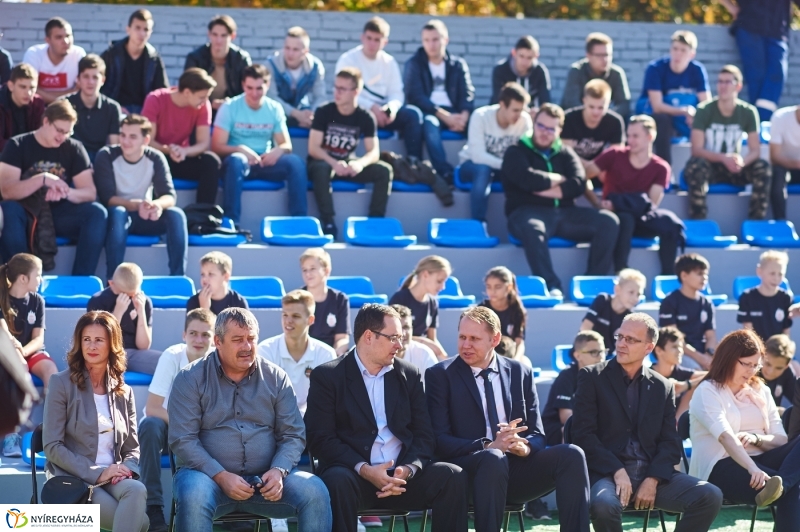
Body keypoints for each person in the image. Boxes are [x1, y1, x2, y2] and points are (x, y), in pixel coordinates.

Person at [425, 305, 591, 531]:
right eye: (462, 336)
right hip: (467, 474)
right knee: (493, 457)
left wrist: (524, 447)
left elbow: (538, 434)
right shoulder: (439, 374)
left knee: (571, 454)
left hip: (516, 469)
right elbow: (438, 439)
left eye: (474, 338)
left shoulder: (519, 371)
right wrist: (488, 445)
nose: (465, 345)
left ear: (495, 339)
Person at [305, 303, 468, 532]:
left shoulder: (408, 374)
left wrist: (408, 469)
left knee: (452, 476)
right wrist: (365, 469)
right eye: (393, 338)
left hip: (403, 481)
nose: (400, 346)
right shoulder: (328, 376)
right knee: (336, 480)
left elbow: (424, 434)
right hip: (355, 477)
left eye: (400, 337)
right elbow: (320, 439)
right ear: (369, 337)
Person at [168, 307, 332, 532]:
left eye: (251, 339)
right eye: (237, 340)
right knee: (194, 493)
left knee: (314, 490)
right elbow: (183, 439)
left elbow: (292, 434)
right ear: (218, 341)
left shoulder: (276, 378)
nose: (246, 346)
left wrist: (279, 470)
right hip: (207, 479)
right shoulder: (190, 378)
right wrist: (220, 475)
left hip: (265, 481)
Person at [572, 313, 723, 532]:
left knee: (710, 495)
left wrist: (653, 479)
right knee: (603, 506)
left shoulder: (663, 387)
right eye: (620, 336)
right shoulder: (591, 377)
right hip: (607, 474)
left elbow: (670, 441)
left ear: (649, 347)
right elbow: (582, 435)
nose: (622, 344)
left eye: (631, 339)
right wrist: (617, 470)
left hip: (651, 475)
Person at [42, 310, 149, 532]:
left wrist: (124, 469)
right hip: (75, 479)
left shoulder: (124, 391)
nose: (91, 346)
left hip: (113, 478)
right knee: (141, 523)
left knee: (136, 490)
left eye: (99, 340)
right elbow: (52, 447)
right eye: (86, 340)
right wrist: (98, 472)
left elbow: (132, 448)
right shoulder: (60, 383)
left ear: (112, 344)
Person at [501, 103, 619, 297]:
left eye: (551, 128)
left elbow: (579, 183)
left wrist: (544, 190)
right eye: (541, 126)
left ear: (559, 130)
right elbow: (524, 179)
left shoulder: (566, 153)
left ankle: (592, 284)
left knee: (609, 221)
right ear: (533, 123)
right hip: (526, 212)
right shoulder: (515, 151)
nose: (544, 132)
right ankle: (551, 286)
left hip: (565, 213)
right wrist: (558, 180)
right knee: (533, 228)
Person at [690, 328, 800, 531]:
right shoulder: (707, 391)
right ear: (728, 358)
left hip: (764, 461)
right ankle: (784, 485)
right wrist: (753, 468)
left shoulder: (761, 390)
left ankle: (782, 484)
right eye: (746, 364)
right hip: (721, 466)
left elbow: (781, 440)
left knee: (787, 484)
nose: (751, 371)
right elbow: (725, 437)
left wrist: (756, 438)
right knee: (793, 490)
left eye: (755, 365)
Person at [0, 99, 107, 275]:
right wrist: (43, 179)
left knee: (97, 212)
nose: (62, 137)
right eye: (59, 130)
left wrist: (65, 192)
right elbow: (7, 191)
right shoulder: (17, 145)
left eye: (68, 132)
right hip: (26, 213)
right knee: (8, 209)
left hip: (58, 213)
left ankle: (80, 280)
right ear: (46, 121)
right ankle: (19, 278)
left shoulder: (74, 148)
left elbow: (89, 192)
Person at [138, 308, 215, 532]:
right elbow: (152, 408)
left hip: (203, 433)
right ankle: (152, 508)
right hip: (170, 431)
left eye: (205, 334)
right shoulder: (172, 356)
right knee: (150, 426)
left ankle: (232, 507)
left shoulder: (219, 361)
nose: (199, 340)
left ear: (215, 338)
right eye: (193, 333)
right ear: (184, 335)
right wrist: (188, 426)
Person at [584, 115, 683, 274]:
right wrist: (595, 201)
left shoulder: (661, 167)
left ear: (649, 137)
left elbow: (651, 203)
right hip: (615, 218)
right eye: (628, 136)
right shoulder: (614, 154)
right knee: (625, 218)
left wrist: (621, 202)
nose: (630, 140)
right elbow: (583, 176)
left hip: (640, 218)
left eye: (635, 136)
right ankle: (620, 269)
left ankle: (668, 274)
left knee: (670, 222)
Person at [94, 114, 187, 279]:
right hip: (118, 219)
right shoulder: (106, 155)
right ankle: (113, 280)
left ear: (145, 140)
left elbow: (169, 196)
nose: (125, 141)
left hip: (145, 215)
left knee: (176, 214)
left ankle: (177, 277)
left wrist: (156, 205)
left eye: (132, 137)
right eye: (122, 135)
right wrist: (137, 205)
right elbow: (107, 198)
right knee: (118, 212)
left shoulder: (155, 157)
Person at [212, 64, 308, 224]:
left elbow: (286, 145)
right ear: (243, 85)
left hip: (265, 162)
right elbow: (216, 147)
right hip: (238, 163)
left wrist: (278, 151)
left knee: (296, 163)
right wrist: (240, 149)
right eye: (250, 88)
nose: (254, 93)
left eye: (259, 88)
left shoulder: (274, 108)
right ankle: (231, 221)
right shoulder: (229, 107)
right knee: (236, 161)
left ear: (267, 85)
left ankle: (299, 221)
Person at [308, 67, 393, 240]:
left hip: (347, 164)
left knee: (384, 170)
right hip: (323, 163)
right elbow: (314, 149)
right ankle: (328, 222)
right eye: (335, 87)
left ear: (356, 92)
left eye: (342, 89)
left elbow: (373, 151)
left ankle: (375, 222)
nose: (336, 92)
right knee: (322, 168)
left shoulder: (366, 117)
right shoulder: (324, 112)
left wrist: (359, 163)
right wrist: (333, 163)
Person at [683, 64, 771, 220]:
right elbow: (696, 149)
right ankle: (699, 221)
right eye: (720, 82)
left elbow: (755, 150)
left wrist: (741, 162)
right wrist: (723, 158)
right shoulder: (704, 110)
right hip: (710, 166)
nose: (722, 86)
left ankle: (756, 222)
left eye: (727, 82)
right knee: (696, 165)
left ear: (738, 86)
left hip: (734, 168)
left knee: (763, 168)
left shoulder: (749, 112)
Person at [335, 17, 424, 165]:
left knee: (413, 115)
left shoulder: (390, 62)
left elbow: (397, 93)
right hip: (358, 113)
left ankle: (414, 163)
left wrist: (392, 109)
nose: (372, 43)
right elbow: (344, 93)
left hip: (384, 115)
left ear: (385, 42)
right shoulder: (348, 60)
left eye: (377, 39)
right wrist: (371, 108)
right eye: (369, 38)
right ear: (362, 37)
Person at [0, 253, 57, 459]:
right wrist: (16, 355)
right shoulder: (1, 296)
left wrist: (22, 352)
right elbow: (3, 334)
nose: (41, 280)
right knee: (18, 370)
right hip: (6, 354)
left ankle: (53, 430)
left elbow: (38, 339)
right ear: (23, 278)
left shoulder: (37, 301)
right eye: (38, 275)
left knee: (52, 372)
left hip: (29, 352)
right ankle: (11, 435)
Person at [404, 19, 475, 181]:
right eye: (426, 40)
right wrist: (444, 116)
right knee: (429, 125)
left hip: (456, 113)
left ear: (445, 40)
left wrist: (464, 115)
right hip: (431, 112)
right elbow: (416, 96)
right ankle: (444, 172)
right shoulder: (414, 64)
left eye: (435, 39)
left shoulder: (458, 65)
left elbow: (468, 93)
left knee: (478, 122)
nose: (431, 44)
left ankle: (474, 169)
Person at [140, 68, 221, 205]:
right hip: (157, 156)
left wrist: (184, 151)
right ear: (187, 92)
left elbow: (203, 143)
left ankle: (203, 215)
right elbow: (148, 141)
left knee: (211, 162)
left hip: (181, 156)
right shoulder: (155, 100)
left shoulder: (203, 105)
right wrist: (168, 149)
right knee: (149, 163)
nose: (205, 101)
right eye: (202, 97)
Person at [458, 82, 532, 221]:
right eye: (515, 110)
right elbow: (478, 156)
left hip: (503, 168)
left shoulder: (524, 120)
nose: (519, 115)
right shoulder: (480, 116)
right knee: (483, 170)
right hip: (471, 165)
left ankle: (522, 223)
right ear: (502, 105)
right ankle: (478, 224)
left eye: (522, 110)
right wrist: (508, 166)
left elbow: (526, 154)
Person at [257, 289, 337, 415]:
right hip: (275, 425)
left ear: (310, 320)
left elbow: (327, 403)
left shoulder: (326, 354)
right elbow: (263, 401)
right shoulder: (265, 350)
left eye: (295, 316)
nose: (288, 321)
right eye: (285, 315)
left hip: (313, 426)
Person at [636, 30, 710, 165]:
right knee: (663, 120)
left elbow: (706, 104)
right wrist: (684, 111)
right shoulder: (655, 68)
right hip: (660, 116)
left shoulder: (697, 70)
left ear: (692, 54)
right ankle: (666, 171)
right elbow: (657, 106)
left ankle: (702, 169)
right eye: (675, 49)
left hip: (686, 119)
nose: (678, 54)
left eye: (683, 50)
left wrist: (696, 116)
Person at [719, 0, 797, 122]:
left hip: (778, 30)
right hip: (749, 27)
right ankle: (757, 125)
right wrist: (731, 7)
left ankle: (762, 122)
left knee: (777, 74)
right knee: (756, 77)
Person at [561, 79, 625, 208]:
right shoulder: (569, 118)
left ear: (609, 103)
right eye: (591, 107)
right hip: (575, 167)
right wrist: (593, 166)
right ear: (584, 100)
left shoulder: (615, 122)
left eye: (601, 107)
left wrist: (599, 168)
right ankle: (596, 203)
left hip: (601, 170)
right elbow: (566, 154)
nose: (596, 112)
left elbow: (617, 154)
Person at [87, 262, 160, 375]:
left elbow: (144, 346)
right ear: (111, 284)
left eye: (132, 294)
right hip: (106, 353)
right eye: (123, 294)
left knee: (168, 362)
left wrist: (141, 313)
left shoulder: (144, 301)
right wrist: (117, 313)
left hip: (133, 354)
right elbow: (98, 340)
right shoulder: (98, 300)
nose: (129, 298)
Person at [542, 330, 607, 447]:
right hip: (556, 429)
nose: (601, 357)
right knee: (572, 429)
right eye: (594, 352)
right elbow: (566, 418)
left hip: (590, 425)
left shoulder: (605, 376)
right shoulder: (566, 376)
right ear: (578, 355)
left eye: (602, 352)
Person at [99, 9, 168, 115]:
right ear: (128, 29)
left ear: (150, 33)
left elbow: (161, 91)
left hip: (144, 112)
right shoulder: (111, 54)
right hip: (115, 110)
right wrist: (115, 107)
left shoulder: (154, 59)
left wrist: (149, 110)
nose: (141, 33)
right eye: (137, 28)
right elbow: (99, 85)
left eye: (146, 29)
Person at [659, 253, 717, 370]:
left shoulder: (707, 303)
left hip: (703, 354)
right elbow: (673, 339)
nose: (704, 278)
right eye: (699, 274)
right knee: (696, 372)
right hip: (680, 352)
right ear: (684, 275)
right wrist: (701, 358)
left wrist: (709, 354)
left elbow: (711, 336)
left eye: (706, 274)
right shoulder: (670, 302)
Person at [185, 14, 252, 111]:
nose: (218, 40)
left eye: (223, 35)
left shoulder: (241, 59)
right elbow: (188, 90)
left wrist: (229, 102)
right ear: (209, 34)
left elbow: (248, 90)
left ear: (232, 36)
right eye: (215, 35)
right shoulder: (195, 58)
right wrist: (210, 103)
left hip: (233, 109)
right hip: (200, 108)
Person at [389, 255, 450, 360]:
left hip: (423, 356)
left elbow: (433, 339)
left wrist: (446, 359)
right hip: (401, 355)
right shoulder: (400, 298)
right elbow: (391, 335)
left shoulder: (432, 302)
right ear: (425, 274)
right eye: (439, 281)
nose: (443, 287)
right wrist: (423, 341)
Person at [265, 27, 326, 129]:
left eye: (295, 49)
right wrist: (296, 114)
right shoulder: (271, 65)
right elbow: (272, 98)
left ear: (306, 51)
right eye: (287, 48)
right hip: (277, 114)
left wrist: (312, 115)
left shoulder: (315, 66)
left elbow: (320, 96)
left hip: (303, 110)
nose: (290, 54)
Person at [561, 33, 631, 120]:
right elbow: (571, 103)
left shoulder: (616, 73)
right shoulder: (576, 71)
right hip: (578, 122)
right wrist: (592, 115)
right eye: (599, 55)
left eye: (607, 55)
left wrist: (605, 117)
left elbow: (624, 104)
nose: (605, 59)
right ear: (588, 55)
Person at [66, 54, 121, 161]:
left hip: (100, 159)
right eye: (86, 76)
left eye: (95, 77)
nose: (90, 82)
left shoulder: (112, 108)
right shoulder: (65, 104)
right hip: (72, 158)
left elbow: (113, 146)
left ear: (103, 80)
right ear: (78, 79)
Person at [299, 247, 350, 355]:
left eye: (312, 268)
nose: (308, 273)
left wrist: (334, 356)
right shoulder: (297, 298)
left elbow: (342, 338)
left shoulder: (340, 299)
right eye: (304, 270)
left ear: (326, 271)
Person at [23, 17, 86, 104]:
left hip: (69, 106)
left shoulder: (78, 54)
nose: (65, 41)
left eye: (68, 36)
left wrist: (42, 92)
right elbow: (27, 89)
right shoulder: (34, 54)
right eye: (59, 37)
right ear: (47, 40)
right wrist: (69, 93)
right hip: (37, 106)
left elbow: (83, 90)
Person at [738, 250, 798, 341]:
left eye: (780, 274)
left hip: (777, 352)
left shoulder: (786, 298)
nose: (776, 278)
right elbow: (749, 335)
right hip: (756, 350)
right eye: (772, 273)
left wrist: (781, 353)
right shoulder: (747, 297)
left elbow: (786, 336)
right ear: (759, 271)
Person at [580, 268, 646, 350]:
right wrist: (594, 351)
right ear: (617, 289)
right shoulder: (602, 300)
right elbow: (585, 328)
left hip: (607, 358)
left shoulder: (630, 318)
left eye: (638, 294)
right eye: (631, 292)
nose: (635, 298)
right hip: (586, 351)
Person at [651, 326, 706, 420]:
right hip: (650, 426)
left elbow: (714, 374)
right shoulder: (645, 375)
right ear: (659, 350)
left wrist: (686, 385)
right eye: (674, 347)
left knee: (699, 385)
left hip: (673, 425)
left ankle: (676, 426)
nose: (680, 351)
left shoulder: (681, 373)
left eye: (680, 347)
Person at [479, 266, 528, 365]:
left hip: (509, 355)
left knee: (526, 364)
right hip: (485, 356)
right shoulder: (481, 310)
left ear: (509, 287)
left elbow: (519, 342)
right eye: (489, 287)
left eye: (498, 287)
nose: (492, 291)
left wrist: (516, 361)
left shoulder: (517, 310)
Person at [490, 35, 550, 113]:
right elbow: (498, 100)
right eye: (521, 56)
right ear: (514, 53)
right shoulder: (500, 70)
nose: (524, 62)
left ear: (536, 56)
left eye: (529, 58)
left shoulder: (540, 71)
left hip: (530, 117)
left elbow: (545, 101)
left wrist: (538, 112)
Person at [0, 63, 45, 152]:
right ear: (11, 86)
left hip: (29, 155)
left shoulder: (37, 104)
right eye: (22, 87)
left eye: (32, 88)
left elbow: (41, 135)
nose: (28, 93)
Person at [768, 104, 800, 220]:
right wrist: (797, 164)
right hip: (782, 167)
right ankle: (780, 224)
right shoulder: (780, 117)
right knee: (777, 178)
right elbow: (774, 157)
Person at [390, 304, 438, 375]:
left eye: (406, 327)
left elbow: (438, 383)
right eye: (399, 328)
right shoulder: (376, 355)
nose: (403, 333)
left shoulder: (424, 354)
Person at [759, 334, 797, 410]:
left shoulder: (787, 373)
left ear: (786, 366)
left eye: (778, 368)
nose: (770, 371)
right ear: (762, 355)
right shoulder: (750, 370)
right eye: (768, 364)